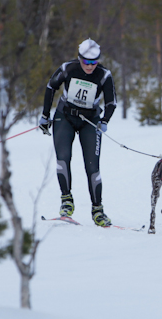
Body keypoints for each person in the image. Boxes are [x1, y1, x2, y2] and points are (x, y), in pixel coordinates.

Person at [39, 39, 117, 227]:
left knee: (92, 167)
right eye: (86, 62)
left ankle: (98, 210)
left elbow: (111, 102)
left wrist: (104, 120)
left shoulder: (104, 75)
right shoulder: (68, 69)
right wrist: (44, 115)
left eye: (94, 62)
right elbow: (51, 87)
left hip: (90, 121)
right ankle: (66, 202)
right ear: (79, 58)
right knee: (63, 158)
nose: (90, 66)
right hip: (64, 117)